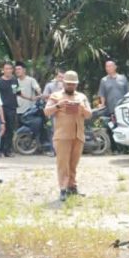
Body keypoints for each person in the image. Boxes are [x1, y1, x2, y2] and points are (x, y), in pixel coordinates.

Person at [45, 70, 91, 200]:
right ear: (63, 83)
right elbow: (46, 111)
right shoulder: (55, 96)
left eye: (73, 84)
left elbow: (89, 114)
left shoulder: (82, 97)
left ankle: (72, 187)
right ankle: (63, 189)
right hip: (62, 136)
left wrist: (82, 108)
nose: (71, 86)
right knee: (63, 164)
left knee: (73, 164)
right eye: (68, 84)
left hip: (78, 136)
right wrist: (58, 106)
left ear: (76, 84)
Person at [0, 61, 19, 157]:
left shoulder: (14, 80)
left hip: (12, 108)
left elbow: (17, 92)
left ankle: (8, 150)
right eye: (6, 69)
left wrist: (31, 97)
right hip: (2, 108)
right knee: (1, 129)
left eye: (10, 69)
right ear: (3, 70)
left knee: (10, 129)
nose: (8, 70)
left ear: (12, 70)